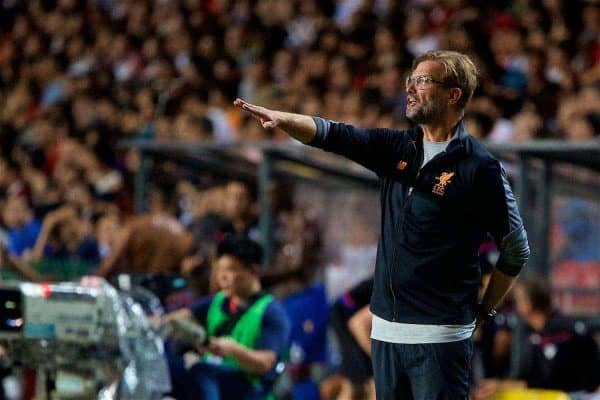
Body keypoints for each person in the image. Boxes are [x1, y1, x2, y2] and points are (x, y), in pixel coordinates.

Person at [236, 50, 530, 399]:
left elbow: (516, 248)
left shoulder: (480, 167)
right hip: (386, 332)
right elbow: (336, 135)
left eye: (423, 81)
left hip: (439, 336)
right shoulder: (398, 148)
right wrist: (282, 119)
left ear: (453, 94)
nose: (410, 88)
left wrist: (485, 308)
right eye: (410, 80)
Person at [164, 235, 290, 400]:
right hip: (214, 382)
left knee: (202, 371)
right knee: (169, 370)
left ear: (253, 271)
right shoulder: (215, 302)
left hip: (249, 390)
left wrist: (233, 350)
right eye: (219, 270)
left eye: (231, 269)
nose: (222, 277)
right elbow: (176, 319)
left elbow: (265, 363)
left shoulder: (271, 312)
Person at [472, 277, 600, 398]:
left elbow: (549, 382)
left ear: (528, 304)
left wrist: (501, 386)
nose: (515, 307)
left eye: (517, 301)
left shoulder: (560, 334)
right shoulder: (538, 334)